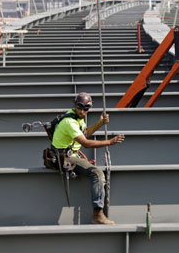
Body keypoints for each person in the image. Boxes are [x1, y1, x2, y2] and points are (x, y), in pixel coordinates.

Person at [52, 92, 125, 224]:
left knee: (95, 171)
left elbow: (85, 133)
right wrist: (109, 142)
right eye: (79, 107)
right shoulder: (70, 121)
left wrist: (100, 123)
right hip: (63, 158)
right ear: (75, 105)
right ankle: (97, 214)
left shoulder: (78, 117)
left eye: (86, 108)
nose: (82, 111)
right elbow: (85, 143)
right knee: (97, 174)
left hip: (71, 154)